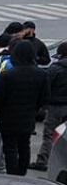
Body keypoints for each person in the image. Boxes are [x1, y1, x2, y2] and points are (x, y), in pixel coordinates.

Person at [0, 41, 50, 176]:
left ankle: (12, 173)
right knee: (25, 145)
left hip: (8, 116)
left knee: (10, 147)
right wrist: (34, 108)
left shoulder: (9, 74)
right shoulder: (41, 74)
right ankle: (22, 173)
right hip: (28, 115)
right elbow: (45, 97)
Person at [31, 42, 67, 170]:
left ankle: (43, 161)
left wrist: (41, 104)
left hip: (55, 106)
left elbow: (46, 87)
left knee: (50, 135)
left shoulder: (55, 68)